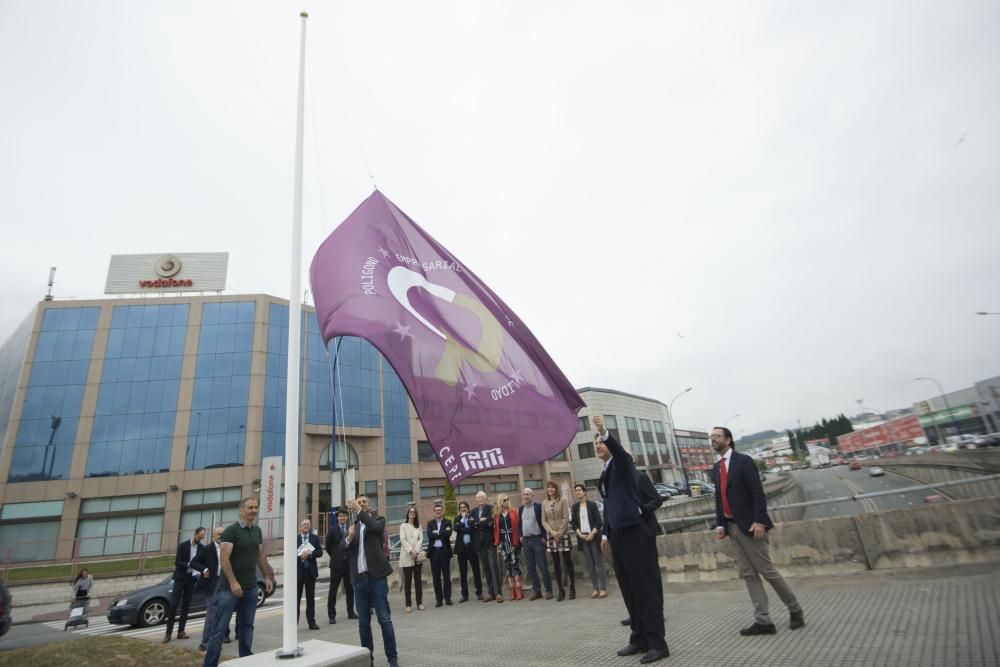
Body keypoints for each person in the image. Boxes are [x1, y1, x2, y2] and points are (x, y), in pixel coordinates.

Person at [711, 426, 805, 636]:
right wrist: (720, 524)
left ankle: (795, 609)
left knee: (767, 571)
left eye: (717, 436)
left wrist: (759, 521)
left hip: (751, 527)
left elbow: (757, 493)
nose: (713, 439)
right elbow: (719, 498)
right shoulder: (716, 468)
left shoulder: (743, 461)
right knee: (748, 574)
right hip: (731, 527)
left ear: (728, 439)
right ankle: (763, 621)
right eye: (711, 437)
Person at [595, 415, 669, 664]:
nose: (598, 445)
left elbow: (617, 450)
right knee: (628, 589)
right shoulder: (604, 472)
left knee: (645, 588)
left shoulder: (623, 464)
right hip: (617, 533)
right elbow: (609, 505)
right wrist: (606, 533)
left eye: (601, 442)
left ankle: (658, 643)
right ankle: (638, 638)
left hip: (635, 532)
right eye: (595, 442)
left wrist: (604, 431)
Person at [202, 498, 274, 667]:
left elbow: (260, 556)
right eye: (250, 507)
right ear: (241, 511)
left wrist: (267, 577)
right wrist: (234, 583)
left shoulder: (257, 530)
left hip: (250, 588)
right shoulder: (231, 531)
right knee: (219, 629)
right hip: (228, 589)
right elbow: (224, 559)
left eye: (256, 507)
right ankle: (210, 664)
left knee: (247, 626)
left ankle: (246, 659)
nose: (254, 510)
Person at [346, 495, 399, 667]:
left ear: (369, 505)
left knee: (384, 619)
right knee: (363, 624)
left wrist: (359, 511)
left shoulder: (377, 519)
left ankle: (392, 659)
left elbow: (376, 529)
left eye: (364, 503)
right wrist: (348, 538)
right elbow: (343, 549)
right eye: (359, 502)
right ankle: (368, 660)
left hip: (376, 578)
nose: (361, 504)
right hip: (359, 580)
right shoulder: (353, 526)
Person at [164, 526, 206, 643]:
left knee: (186, 605)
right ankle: (168, 633)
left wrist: (199, 570)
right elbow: (177, 562)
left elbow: (201, 563)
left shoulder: (202, 548)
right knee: (173, 605)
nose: (200, 539)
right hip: (180, 578)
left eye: (202, 538)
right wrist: (189, 564)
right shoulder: (183, 546)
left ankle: (181, 631)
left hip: (191, 579)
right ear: (195, 533)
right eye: (199, 536)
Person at [191, 526, 229, 651]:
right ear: (213, 536)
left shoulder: (228, 547)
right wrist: (204, 569)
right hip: (211, 583)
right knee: (212, 611)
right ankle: (205, 641)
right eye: (218, 534)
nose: (221, 536)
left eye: (223, 534)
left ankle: (222, 636)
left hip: (224, 582)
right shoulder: (207, 549)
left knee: (223, 610)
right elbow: (194, 562)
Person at [571, 484, 607, 598]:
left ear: (584, 492)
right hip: (583, 539)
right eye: (576, 490)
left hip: (594, 537)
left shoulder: (592, 505)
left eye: (579, 490)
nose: (578, 492)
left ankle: (603, 589)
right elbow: (574, 523)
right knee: (590, 565)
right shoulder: (575, 507)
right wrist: (579, 534)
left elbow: (599, 521)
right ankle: (595, 589)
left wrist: (592, 534)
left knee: (599, 563)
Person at [542, 480, 575, 601]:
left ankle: (572, 588)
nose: (550, 489)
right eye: (548, 487)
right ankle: (560, 590)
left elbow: (566, 517)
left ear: (556, 489)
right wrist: (551, 532)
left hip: (563, 534)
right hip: (551, 535)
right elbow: (543, 520)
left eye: (552, 487)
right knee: (556, 564)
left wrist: (559, 532)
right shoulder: (544, 503)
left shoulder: (563, 500)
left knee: (567, 562)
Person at [518, 487, 553, 600]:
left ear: (532, 496)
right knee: (531, 568)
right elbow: (519, 524)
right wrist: (521, 537)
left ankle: (548, 590)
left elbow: (544, 522)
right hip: (526, 541)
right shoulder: (521, 509)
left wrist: (544, 537)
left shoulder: (538, 507)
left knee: (543, 566)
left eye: (528, 494)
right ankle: (537, 591)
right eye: (524, 494)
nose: (525, 496)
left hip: (538, 540)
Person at [326, 508, 356, 623]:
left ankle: (351, 612)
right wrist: (335, 556)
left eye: (344, 516)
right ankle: (331, 615)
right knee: (333, 590)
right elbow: (328, 547)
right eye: (340, 516)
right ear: (337, 518)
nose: (342, 518)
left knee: (350, 589)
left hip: (349, 564)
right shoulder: (332, 530)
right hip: (336, 565)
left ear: (347, 517)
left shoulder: (351, 530)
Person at [471, 491, 500, 602]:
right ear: (476, 499)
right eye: (478, 497)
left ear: (485, 498)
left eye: (482, 497)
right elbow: (471, 523)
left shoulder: (491, 508)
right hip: (479, 544)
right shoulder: (473, 511)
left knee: (493, 567)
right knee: (486, 569)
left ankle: (498, 593)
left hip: (489, 542)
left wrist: (480, 522)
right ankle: (490, 592)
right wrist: (480, 522)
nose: (480, 499)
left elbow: (491, 521)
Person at [493, 493, 522, 601]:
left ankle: (519, 590)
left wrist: (518, 541)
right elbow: (496, 530)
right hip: (503, 542)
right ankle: (512, 590)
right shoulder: (497, 515)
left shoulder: (514, 512)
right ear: (500, 501)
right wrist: (497, 543)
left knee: (516, 565)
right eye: (504, 500)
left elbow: (518, 526)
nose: (506, 501)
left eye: (507, 499)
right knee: (508, 567)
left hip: (513, 541)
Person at [296, 518, 323, 630]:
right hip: (298, 572)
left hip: (310, 572)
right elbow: (289, 554)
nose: (306, 526)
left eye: (308, 524)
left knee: (310, 599)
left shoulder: (314, 538)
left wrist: (310, 554)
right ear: (300, 527)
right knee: (296, 599)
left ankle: (311, 622)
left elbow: (320, 552)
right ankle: (294, 623)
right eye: (304, 524)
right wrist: (300, 556)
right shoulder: (295, 539)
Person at [426, 502, 454, 607]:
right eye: (436, 510)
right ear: (434, 512)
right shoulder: (430, 523)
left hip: (445, 552)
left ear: (442, 511)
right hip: (434, 553)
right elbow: (430, 535)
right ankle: (439, 599)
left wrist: (436, 532)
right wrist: (442, 532)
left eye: (440, 510)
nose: (438, 512)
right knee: (436, 578)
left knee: (447, 576)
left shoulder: (447, 522)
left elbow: (448, 534)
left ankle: (448, 598)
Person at [453, 500, 482, 602]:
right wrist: (462, 522)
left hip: (472, 548)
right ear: (459, 510)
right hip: (461, 549)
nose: (463, 509)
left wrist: (464, 528)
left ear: (468, 508)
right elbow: (456, 528)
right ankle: (464, 595)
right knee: (463, 573)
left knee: (476, 571)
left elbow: (473, 529)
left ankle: (479, 593)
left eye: (464, 507)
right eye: (461, 508)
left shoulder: (472, 517)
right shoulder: (457, 519)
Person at [398, 505, 425, 612]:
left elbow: (421, 539)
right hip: (407, 556)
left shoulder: (419, 526)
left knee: (418, 581)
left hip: (417, 556)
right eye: (411, 511)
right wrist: (411, 551)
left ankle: (419, 603)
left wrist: (416, 551)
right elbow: (402, 539)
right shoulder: (403, 525)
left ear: (416, 514)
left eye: (414, 512)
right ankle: (408, 604)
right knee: (408, 582)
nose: (412, 513)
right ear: (408, 513)